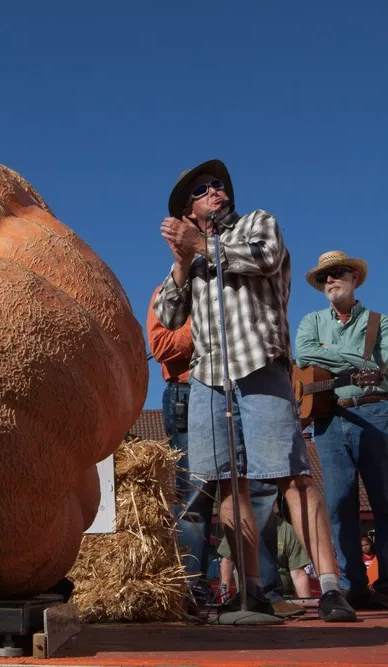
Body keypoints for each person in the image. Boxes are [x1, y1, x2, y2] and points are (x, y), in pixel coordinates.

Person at [153, 159, 355, 622]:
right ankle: (254, 589)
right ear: (189, 212)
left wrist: (202, 244)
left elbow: (263, 257)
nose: (214, 192)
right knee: (228, 482)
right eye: (202, 191)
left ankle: (329, 587)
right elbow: (167, 313)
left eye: (217, 185)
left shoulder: (256, 223)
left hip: (260, 365)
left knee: (291, 475)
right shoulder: (191, 256)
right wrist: (184, 260)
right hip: (208, 377)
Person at [146, 287, 302, 617]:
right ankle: (192, 589)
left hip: (245, 386)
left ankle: (263, 590)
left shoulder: (238, 285)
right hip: (189, 391)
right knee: (195, 494)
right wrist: (210, 326)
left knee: (259, 488)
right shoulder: (169, 290)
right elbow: (160, 346)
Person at [295, 251, 388, 609]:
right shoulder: (310, 322)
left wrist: (328, 353)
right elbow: (303, 354)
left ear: (354, 278)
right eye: (325, 277)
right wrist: (357, 360)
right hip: (329, 418)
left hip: (376, 412)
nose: (330, 280)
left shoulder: (381, 323)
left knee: (384, 500)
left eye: (337, 273)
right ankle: (355, 587)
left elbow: (383, 365)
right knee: (337, 505)